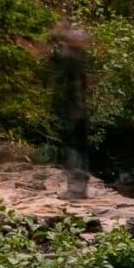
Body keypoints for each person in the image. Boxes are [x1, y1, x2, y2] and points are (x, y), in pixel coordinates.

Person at [49, 20, 91, 200]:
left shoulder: (71, 56)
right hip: (79, 109)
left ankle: (75, 190)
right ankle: (80, 188)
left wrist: (57, 33)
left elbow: (55, 58)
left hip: (74, 110)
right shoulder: (80, 56)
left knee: (73, 148)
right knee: (79, 148)